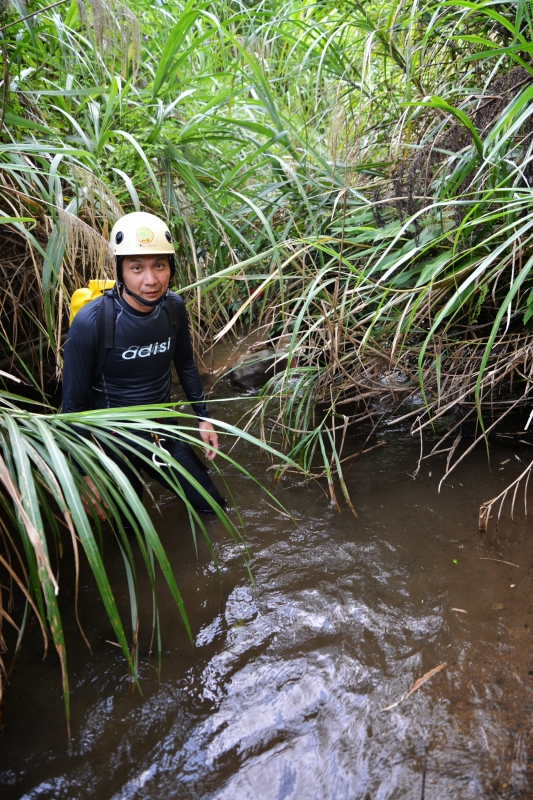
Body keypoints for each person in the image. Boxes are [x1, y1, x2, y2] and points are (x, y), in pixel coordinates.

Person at [62, 211, 226, 521]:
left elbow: (186, 365)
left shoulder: (174, 308)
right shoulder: (92, 322)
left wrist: (204, 418)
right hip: (113, 444)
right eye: (137, 267)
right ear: (120, 270)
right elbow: (72, 404)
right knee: (128, 533)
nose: (151, 280)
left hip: (161, 434)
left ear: (170, 268)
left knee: (213, 508)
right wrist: (83, 475)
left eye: (159, 266)